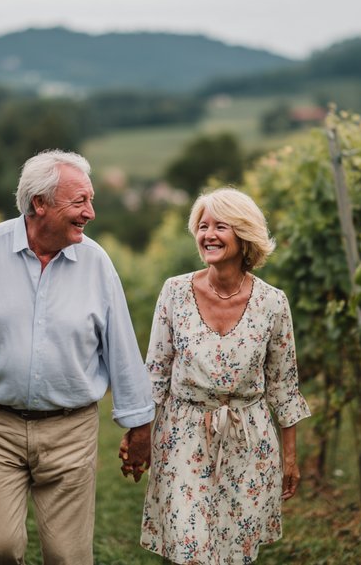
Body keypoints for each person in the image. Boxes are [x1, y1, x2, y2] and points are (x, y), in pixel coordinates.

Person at [0, 149, 154, 565]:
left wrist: (138, 425)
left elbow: (122, 347)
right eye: (79, 201)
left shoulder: (96, 263)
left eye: (91, 200)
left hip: (70, 430)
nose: (91, 212)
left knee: (67, 556)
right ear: (39, 203)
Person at [120, 187, 311, 565]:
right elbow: (155, 374)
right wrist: (139, 434)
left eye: (220, 226)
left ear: (244, 235)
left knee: (235, 553)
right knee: (191, 548)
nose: (208, 234)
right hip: (183, 436)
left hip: (249, 440)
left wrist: (290, 458)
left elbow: (284, 387)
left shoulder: (273, 303)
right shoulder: (174, 292)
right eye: (202, 226)